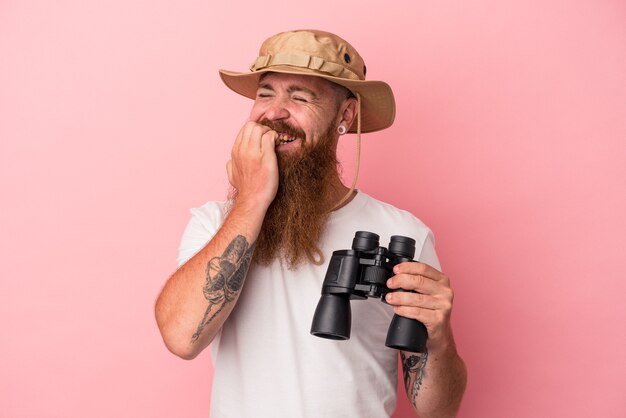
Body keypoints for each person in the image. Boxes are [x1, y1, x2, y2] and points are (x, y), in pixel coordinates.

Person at [155, 29, 467, 418]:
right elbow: (182, 339)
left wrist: (439, 340)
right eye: (265, 94)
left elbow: (438, 410)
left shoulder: (403, 233)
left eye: (300, 97)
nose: (274, 112)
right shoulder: (215, 223)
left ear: (345, 115)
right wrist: (251, 199)